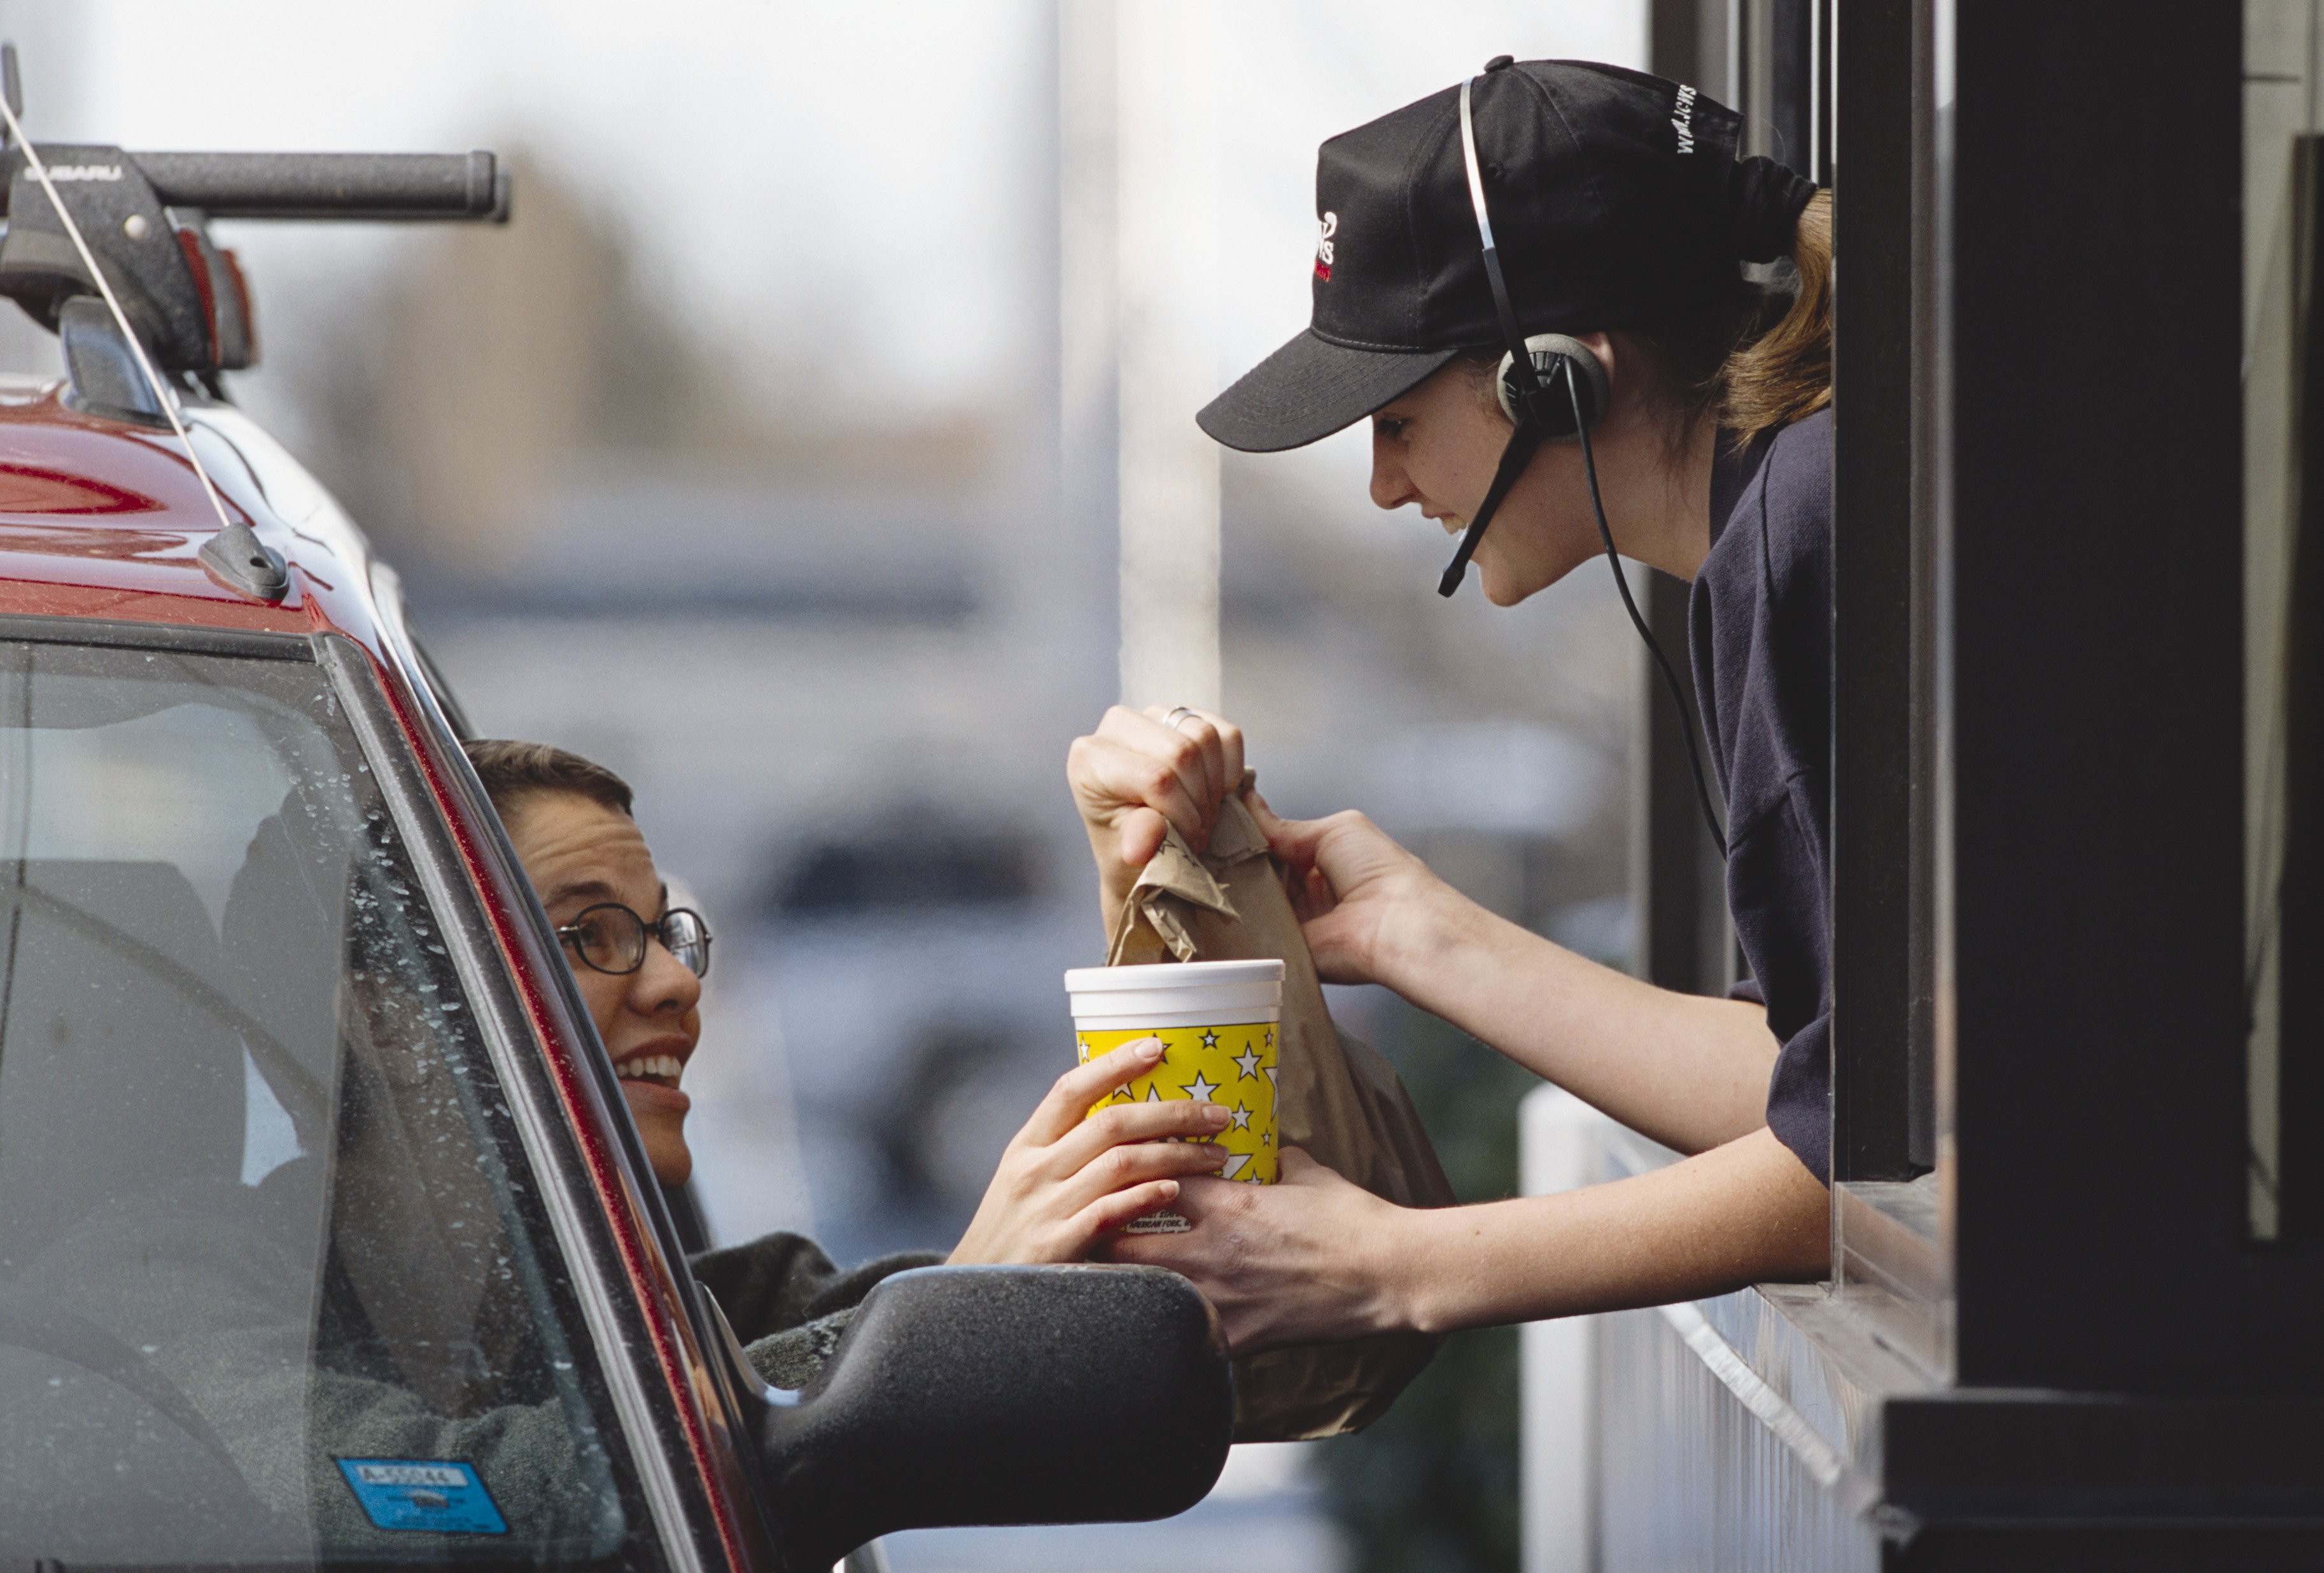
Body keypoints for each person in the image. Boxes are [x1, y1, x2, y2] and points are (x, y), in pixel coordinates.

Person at [1067, 58, 1836, 1352]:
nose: (1378, 488)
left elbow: (1893, 1159)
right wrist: (1414, 933)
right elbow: (1816, 1094)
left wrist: (1396, 1267)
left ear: (1560, 378)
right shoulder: (1769, 537)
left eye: (1397, 421)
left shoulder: (1804, 536)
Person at [464, 740, 1230, 1382]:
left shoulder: (649, 1291)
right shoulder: (361, 1355)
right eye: (589, 933)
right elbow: (589, 1464)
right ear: (385, 1012)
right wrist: (961, 1303)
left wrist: (1005, 1281)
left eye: (669, 932)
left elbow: (800, 1339)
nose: (676, 980)